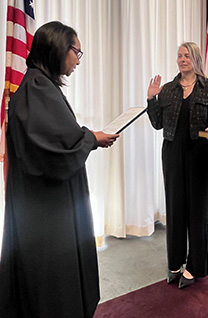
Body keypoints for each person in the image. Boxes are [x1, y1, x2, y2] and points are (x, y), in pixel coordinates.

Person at [0, 21, 119, 318]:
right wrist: (91, 137)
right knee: (53, 285)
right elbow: (55, 153)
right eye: (76, 51)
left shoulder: (40, 85)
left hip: (46, 206)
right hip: (47, 212)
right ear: (58, 49)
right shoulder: (38, 87)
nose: (78, 59)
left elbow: (58, 136)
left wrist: (88, 137)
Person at [147, 42, 208, 289]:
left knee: (197, 211)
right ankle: (175, 262)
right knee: (175, 208)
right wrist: (151, 98)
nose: (182, 59)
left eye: (187, 55)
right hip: (171, 152)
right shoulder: (168, 89)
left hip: (199, 152)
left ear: (196, 59)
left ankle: (195, 266)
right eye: (179, 55)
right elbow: (157, 123)